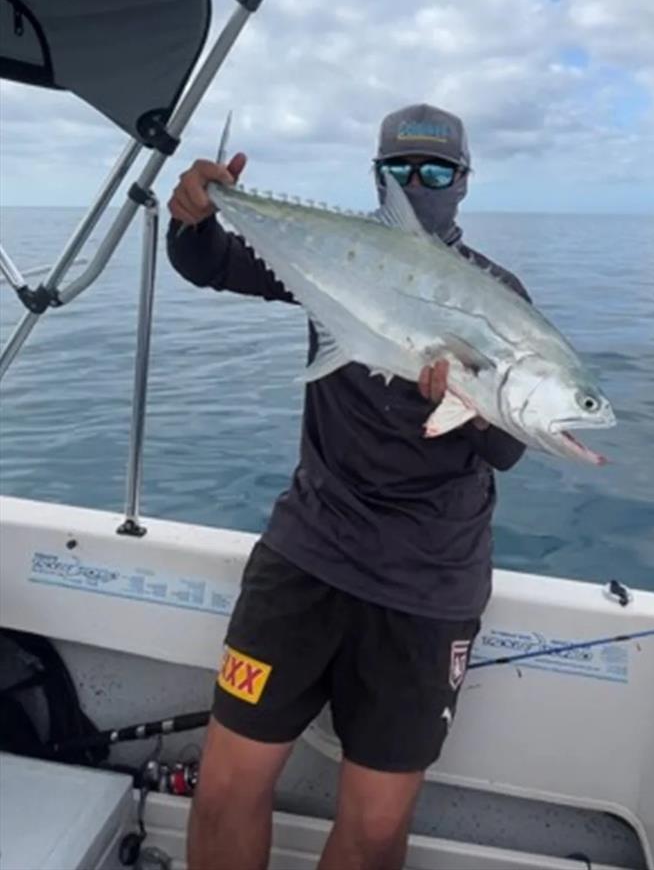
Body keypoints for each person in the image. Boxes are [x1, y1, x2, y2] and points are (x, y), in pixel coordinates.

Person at [167, 103, 531, 870]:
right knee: (227, 786)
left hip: (425, 583)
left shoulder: (499, 295)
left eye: (436, 171)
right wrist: (195, 214)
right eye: (400, 169)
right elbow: (208, 264)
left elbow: (508, 446)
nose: (418, 183)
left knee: (372, 830)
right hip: (308, 552)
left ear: (464, 183)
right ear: (377, 177)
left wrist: (462, 400)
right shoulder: (333, 255)